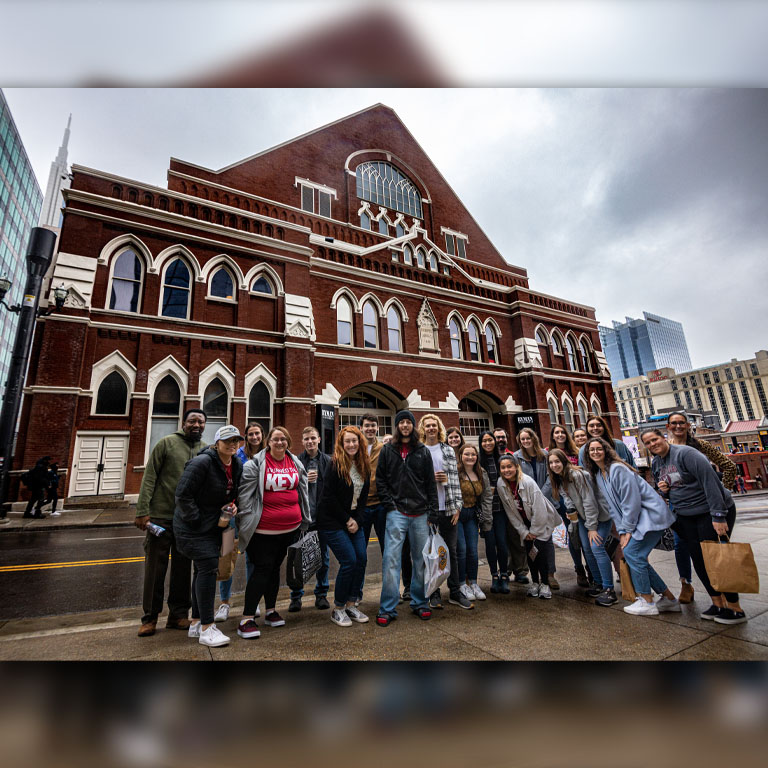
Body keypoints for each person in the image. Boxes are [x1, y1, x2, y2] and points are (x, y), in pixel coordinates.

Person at [642, 429, 747, 625]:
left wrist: (718, 516)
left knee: (718, 559)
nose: (652, 444)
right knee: (699, 560)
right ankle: (717, 603)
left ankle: (734, 608)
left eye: (654, 439)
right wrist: (664, 492)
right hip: (686, 515)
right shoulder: (657, 463)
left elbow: (711, 483)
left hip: (710, 511)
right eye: (647, 443)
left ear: (663, 437)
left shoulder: (686, 454)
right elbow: (668, 490)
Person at [584, 437, 679, 617]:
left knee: (633, 554)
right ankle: (669, 599)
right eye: (591, 450)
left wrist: (627, 530)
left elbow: (631, 501)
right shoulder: (599, 474)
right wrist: (622, 531)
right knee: (637, 556)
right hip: (635, 520)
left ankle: (646, 600)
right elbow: (613, 507)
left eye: (599, 449)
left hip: (650, 516)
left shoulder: (618, 469)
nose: (595, 452)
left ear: (606, 450)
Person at [135, 409, 206, 637]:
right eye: (192, 421)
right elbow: (149, 477)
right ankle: (150, 618)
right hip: (161, 517)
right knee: (155, 570)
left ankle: (177, 615)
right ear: (183, 423)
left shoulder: (205, 449)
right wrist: (143, 511)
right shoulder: (166, 444)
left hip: (187, 522)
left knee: (182, 570)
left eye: (201, 422)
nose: (196, 425)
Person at [236, 426, 310, 638]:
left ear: (288, 442)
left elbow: (302, 491)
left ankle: (271, 611)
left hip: (291, 528)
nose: (279, 443)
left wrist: (305, 517)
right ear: (268, 441)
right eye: (276, 439)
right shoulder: (255, 465)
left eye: (283, 439)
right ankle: (247, 618)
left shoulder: (295, 462)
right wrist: (244, 522)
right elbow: (244, 496)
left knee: (275, 568)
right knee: (262, 568)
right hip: (262, 530)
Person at [174, 425, 244, 647]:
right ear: (217, 443)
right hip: (193, 528)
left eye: (236, 440)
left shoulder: (237, 464)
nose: (232, 444)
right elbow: (183, 496)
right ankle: (207, 628)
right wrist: (197, 520)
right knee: (208, 568)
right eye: (227, 440)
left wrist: (232, 508)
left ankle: (196, 622)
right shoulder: (202, 462)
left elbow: (233, 494)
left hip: (217, 526)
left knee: (202, 571)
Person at [665, 412, 737, 604]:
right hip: (679, 505)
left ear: (688, 426)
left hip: (707, 505)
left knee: (713, 550)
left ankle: (726, 596)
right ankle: (686, 583)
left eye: (682, 423)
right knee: (682, 546)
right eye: (674, 423)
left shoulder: (699, 446)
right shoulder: (663, 449)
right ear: (668, 426)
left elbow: (729, 466)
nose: (678, 427)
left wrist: (723, 491)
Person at [375, 410, 438, 626]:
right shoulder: (387, 450)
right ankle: (387, 608)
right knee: (391, 560)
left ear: (413, 426)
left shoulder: (422, 451)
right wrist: (389, 505)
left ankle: (420, 603)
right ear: (396, 426)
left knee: (420, 560)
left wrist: (432, 511)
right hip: (396, 513)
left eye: (408, 422)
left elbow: (430, 483)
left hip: (420, 513)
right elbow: (380, 480)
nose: (405, 426)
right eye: (401, 422)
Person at [317, 426, 371, 626]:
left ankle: (351, 603)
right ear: (341, 444)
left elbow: (363, 498)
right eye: (347, 441)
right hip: (332, 520)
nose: (351, 444)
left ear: (360, 442)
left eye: (354, 441)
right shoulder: (335, 464)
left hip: (354, 520)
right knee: (349, 560)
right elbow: (328, 498)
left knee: (362, 559)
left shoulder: (364, 464)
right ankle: (338, 608)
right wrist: (346, 520)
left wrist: (357, 519)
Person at [546, 449, 616, 606]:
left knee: (597, 548)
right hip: (583, 519)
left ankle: (609, 589)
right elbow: (567, 498)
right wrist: (572, 514)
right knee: (587, 549)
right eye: (551, 462)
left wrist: (591, 527)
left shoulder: (577, 475)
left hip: (600, 517)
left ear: (564, 461)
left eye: (557, 461)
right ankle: (598, 583)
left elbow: (589, 501)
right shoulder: (559, 478)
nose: (554, 465)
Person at [418, 413, 472, 610]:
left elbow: (455, 479)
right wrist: (431, 479)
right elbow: (414, 481)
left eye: (434, 425)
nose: (431, 428)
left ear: (438, 428)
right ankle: (434, 592)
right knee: (432, 554)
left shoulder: (447, 449)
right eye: (427, 425)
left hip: (448, 507)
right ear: (423, 429)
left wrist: (458, 507)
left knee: (451, 552)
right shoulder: (419, 450)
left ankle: (455, 592)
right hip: (428, 510)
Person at [215, 422, 264, 622]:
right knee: (226, 557)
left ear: (262, 435)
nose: (254, 437)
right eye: (250, 434)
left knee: (254, 559)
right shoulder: (236, 457)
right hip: (233, 516)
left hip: (255, 516)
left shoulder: (267, 455)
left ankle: (252, 601)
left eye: (257, 433)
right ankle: (224, 603)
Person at [497, 454, 562, 600]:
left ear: (516, 467)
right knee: (530, 554)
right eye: (503, 467)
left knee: (540, 553)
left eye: (509, 466)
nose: (507, 470)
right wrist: (523, 531)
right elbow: (510, 512)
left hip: (541, 523)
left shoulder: (527, 482)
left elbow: (539, 510)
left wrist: (534, 532)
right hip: (524, 525)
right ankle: (535, 582)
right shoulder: (501, 484)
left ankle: (544, 583)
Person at [289, 426, 331, 612]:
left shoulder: (328, 461)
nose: (310, 442)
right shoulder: (296, 462)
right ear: (303, 440)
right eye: (306, 439)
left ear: (319, 439)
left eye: (313, 438)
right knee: (299, 557)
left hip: (322, 518)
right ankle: (296, 597)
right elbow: (290, 487)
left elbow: (332, 490)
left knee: (323, 558)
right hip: (302, 518)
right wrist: (303, 479)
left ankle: (321, 594)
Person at [546, 426, 593, 587]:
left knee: (586, 536)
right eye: (556, 432)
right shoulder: (549, 453)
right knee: (573, 536)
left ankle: (591, 569)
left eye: (562, 432)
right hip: (564, 502)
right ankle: (579, 569)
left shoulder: (577, 452)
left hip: (581, 499)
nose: (559, 435)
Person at [514, 427, 559, 588]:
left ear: (534, 438)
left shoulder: (545, 456)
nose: (526, 441)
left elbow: (551, 477)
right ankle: (536, 577)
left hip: (545, 503)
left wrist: (539, 496)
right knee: (531, 542)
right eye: (522, 439)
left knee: (546, 540)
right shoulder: (516, 457)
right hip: (526, 506)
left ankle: (550, 575)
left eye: (528, 438)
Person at [455, 443, 493, 601]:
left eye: (473, 454)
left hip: (472, 514)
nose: (470, 457)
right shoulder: (456, 471)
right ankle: (460, 584)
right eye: (467, 454)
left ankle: (473, 582)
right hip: (457, 514)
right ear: (461, 456)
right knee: (461, 549)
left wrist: (486, 518)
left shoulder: (481, 472)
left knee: (473, 550)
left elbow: (486, 496)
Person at [478, 430, 510, 593]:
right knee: (490, 545)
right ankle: (494, 575)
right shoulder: (478, 462)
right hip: (486, 510)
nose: (488, 443)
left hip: (502, 510)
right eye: (484, 441)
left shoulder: (502, 460)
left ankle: (504, 575)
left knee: (502, 544)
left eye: (490, 440)